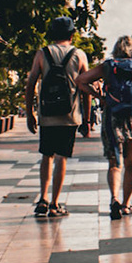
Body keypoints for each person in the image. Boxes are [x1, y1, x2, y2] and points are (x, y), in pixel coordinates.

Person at [77, 36, 132, 217]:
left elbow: (80, 80)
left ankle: (114, 198)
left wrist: (100, 97)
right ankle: (126, 204)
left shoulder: (108, 67)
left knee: (114, 163)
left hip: (112, 117)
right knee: (131, 163)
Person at [25, 17, 90, 219]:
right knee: (62, 157)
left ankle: (43, 199)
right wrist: (87, 120)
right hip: (69, 115)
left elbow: (31, 83)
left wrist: (30, 113)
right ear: (72, 35)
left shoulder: (42, 54)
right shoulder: (79, 55)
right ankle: (55, 203)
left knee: (47, 155)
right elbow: (86, 89)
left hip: (47, 115)